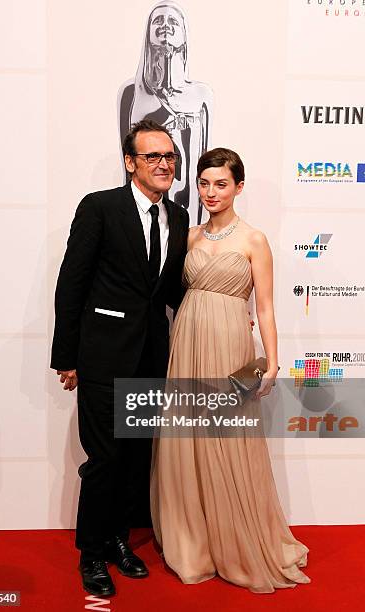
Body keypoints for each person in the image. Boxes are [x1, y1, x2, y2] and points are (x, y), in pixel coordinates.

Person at [150, 147, 310, 593]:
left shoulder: (254, 239)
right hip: (188, 340)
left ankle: (237, 540)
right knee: (188, 438)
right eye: (204, 183)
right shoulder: (190, 236)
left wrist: (273, 360)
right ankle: (195, 540)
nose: (210, 192)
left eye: (221, 184)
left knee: (227, 438)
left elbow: (265, 306)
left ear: (239, 187)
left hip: (229, 345)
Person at [50, 119, 189, 597]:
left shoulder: (179, 215)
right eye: (153, 156)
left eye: (169, 156)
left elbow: (170, 289)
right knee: (105, 459)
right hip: (104, 357)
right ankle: (90, 552)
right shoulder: (100, 208)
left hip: (151, 355)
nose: (164, 164)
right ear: (130, 163)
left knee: (135, 458)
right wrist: (66, 357)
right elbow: (72, 284)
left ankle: (117, 541)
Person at [118, 0, 213, 226]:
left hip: (187, 202)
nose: (165, 26)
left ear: (183, 32)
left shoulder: (201, 95)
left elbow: (204, 158)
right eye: (158, 21)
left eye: (173, 21)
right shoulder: (131, 92)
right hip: (141, 206)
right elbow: (127, 160)